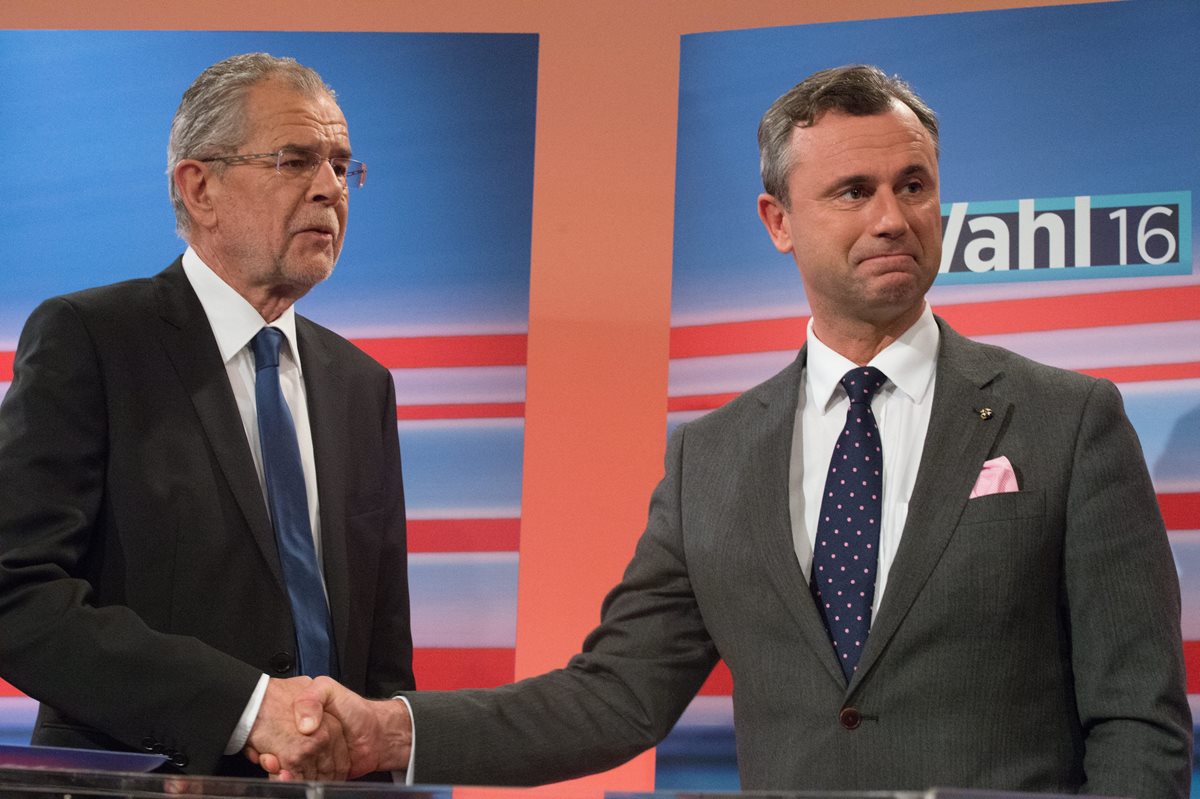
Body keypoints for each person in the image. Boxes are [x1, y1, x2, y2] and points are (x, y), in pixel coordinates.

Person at [276, 64, 1191, 796]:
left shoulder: (1069, 421)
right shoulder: (712, 458)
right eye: (853, 190)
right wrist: (395, 730)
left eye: (914, 185)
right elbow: (614, 699)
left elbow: (1138, 720)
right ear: (779, 221)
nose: (891, 218)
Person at [0, 53, 414, 779]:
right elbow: (16, 593)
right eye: (296, 159)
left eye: (342, 166)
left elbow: (382, 654)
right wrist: (248, 707)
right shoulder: (93, 341)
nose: (329, 188)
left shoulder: (361, 385)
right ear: (199, 187)